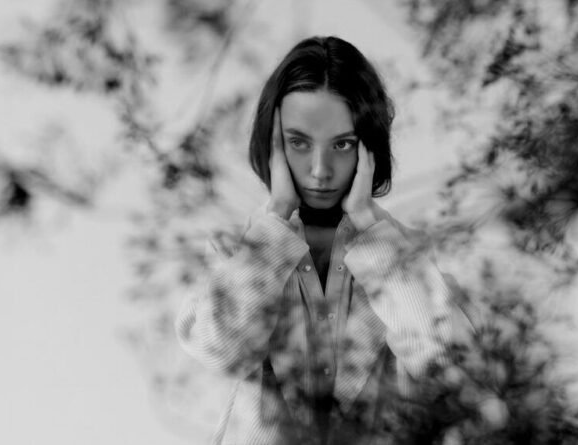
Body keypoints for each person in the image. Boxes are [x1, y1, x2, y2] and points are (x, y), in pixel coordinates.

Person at [176, 35, 455, 445]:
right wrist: (273, 226)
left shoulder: (404, 253)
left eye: (342, 144)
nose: (320, 170)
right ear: (273, 145)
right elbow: (219, 350)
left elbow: (446, 363)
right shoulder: (238, 250)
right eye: (299, 143)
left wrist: (371, 231)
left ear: (369, 148)